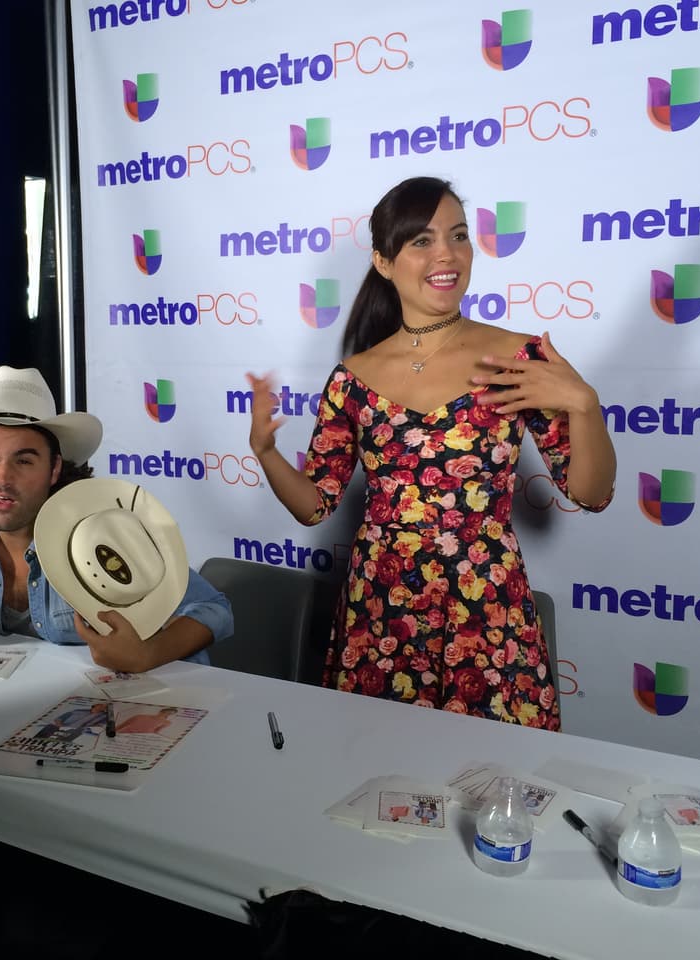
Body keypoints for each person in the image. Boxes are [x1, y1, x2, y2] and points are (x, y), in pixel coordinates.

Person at [247, 176, 616, 728]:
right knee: (376, 781)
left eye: (458, 235)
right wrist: (266, 451)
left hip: (486, 607)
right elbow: (315, 505)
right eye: (421, 240)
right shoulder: (352, 378)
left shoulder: (517, 357)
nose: (446, 254)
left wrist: (585, 405)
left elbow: (593, 493)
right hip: (379, 608)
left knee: (494, 781)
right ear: (382, 260)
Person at [0, 366, 233, 672]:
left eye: (23, 461)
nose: (2, 477)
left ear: (54, 469)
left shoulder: (101, 529)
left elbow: (214, 609)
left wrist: (146, 655)